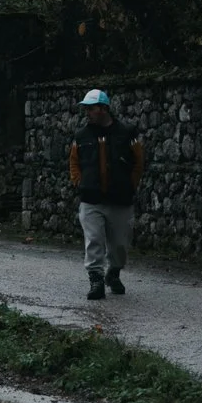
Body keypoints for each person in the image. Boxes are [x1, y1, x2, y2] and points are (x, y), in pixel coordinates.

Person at [66, 88, 145, 301]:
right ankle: (96, 280)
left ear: (104, 108)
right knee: (93, 240)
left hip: (120, 198)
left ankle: (114, 273)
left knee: (120, 244)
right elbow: (74, 161)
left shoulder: (126, 133)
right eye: (86, 109)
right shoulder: (81, 136)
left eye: (91, 108)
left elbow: (138, 161)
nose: (88, 112)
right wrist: (79, 182)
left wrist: (130, 184)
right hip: (91, 199)